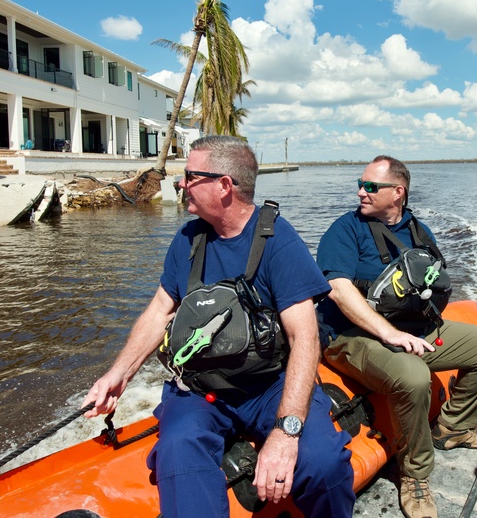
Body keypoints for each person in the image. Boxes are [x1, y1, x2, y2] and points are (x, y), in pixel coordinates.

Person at [82, 136, 354, 518]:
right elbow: (160, 310)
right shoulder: (188, 239)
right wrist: (119, 374)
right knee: (178, 453)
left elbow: (304, 336)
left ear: (224, 185)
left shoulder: (279, 241)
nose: (180, 183)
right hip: (200, 388)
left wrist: (286, 432)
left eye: (190, 175)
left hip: (268, 386)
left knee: (324, 465)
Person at [315, 155, 477, 518]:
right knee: (414, 377)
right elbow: (337, 289)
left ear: (398, 193)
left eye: (371, 186)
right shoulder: (346, 229)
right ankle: (414, 475)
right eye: (360, 184)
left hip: (412, 327)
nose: (361, 192)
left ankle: (453, 429)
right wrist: (389, 333)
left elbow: (434, 281)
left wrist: (422, 323)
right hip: (349, 336)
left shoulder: (418, 230)